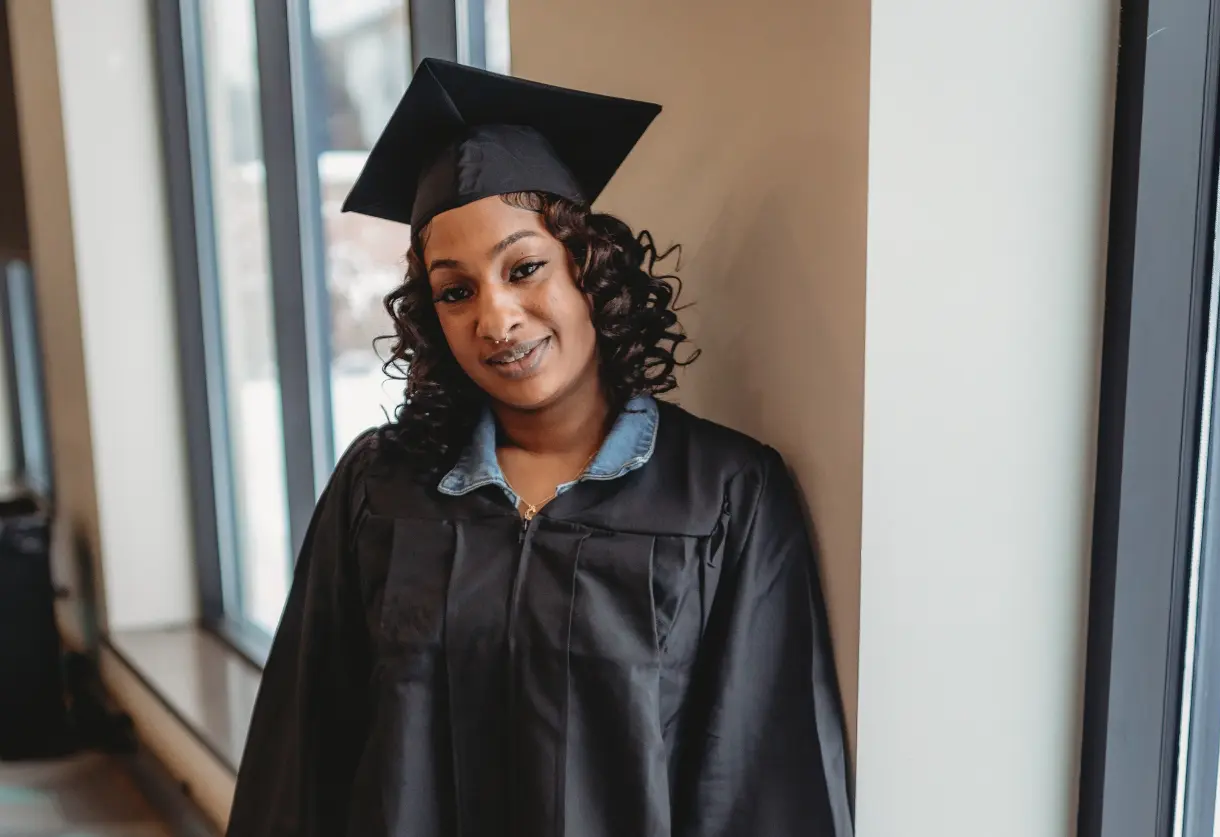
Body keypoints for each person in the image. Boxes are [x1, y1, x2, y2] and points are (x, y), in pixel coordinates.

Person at [224, 57, 854, 837]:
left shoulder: (725, 497)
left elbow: (762, 779)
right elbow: (302, 755)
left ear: (589, 268)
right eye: (455, 291)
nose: (496, 319)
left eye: (525, 268)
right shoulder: (378, 489)